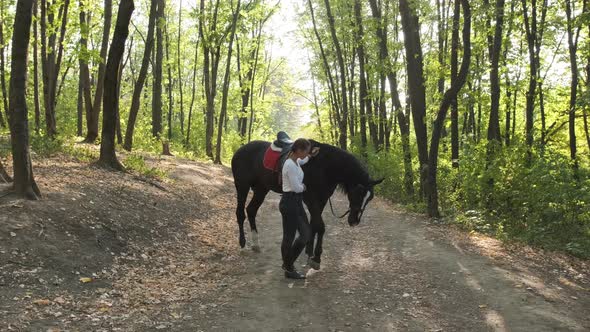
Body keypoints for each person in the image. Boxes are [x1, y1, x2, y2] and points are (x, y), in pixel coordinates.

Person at [280, 138, 312, 279]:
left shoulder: (296, 161)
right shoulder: (290, 165)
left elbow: (303, 161)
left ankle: (288, 262)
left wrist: (312, 155)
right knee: (289, 237)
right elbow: (296, 187)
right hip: (290, 201)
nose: (307, 153)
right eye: (306, 151)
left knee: (306, 233)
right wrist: (304, 186)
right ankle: (289, 269)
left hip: (296, 202)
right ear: (299, 150)